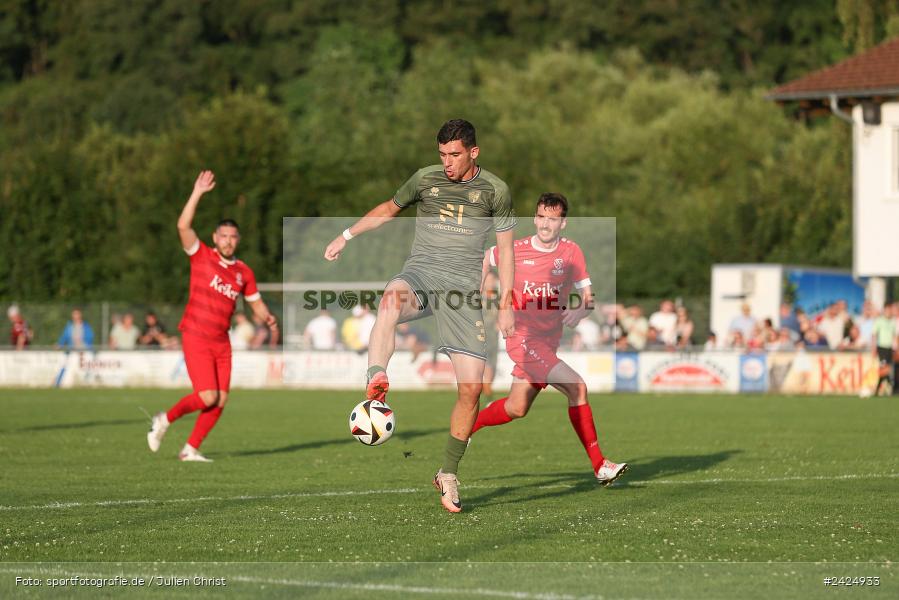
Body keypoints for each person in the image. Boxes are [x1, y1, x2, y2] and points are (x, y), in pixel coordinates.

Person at [324, 119, 516, 513]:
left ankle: (447, 472)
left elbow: (507, 251)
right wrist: (346, 235)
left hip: (463, 292)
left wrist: (508, 301)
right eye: (442, 154)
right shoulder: (424, 179)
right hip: (422, 275)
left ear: (473, 152)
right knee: (390, 301)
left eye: (455, 155)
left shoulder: (496, 191)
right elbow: (387, 210)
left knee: (472, 391)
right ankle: (375, 375)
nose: (447, 162)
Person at [471, 192, 628, 486]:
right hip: (522, 338)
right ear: (534, 218)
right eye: (541, 216)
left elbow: (589, 298)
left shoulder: (571, 253)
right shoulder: (515, 249)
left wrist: (580, 311)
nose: (545, 224)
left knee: (516, 407)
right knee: (577, 387)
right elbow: (485, 258)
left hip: (548, 342)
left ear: (563, 223)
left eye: (552, 219)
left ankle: (468, 426)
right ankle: (600, 466)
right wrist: (478, 297)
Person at [146, 170, 278, 462]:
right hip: (195, 334)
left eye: (233, 237)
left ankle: (190, 449)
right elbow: (183, 225)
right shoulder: (201, 255)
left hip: (221, 341)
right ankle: (164, 419)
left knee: (221, 399)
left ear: (238, 239)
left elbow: (255, 302)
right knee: (207, 396)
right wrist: (197, 192)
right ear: (215, 237)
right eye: (224, 236)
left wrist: (267, 317)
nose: (228, 241)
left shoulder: (244, 272)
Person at [871, 303, 896, 395]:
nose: (889, 312)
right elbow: (874, 335)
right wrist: (873, 348)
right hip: (881, 347)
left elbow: (894, 336)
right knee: (884, 368)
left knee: (886, 368)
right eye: (888, 310)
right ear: (884, 310)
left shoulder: (892, 322)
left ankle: (879, 388)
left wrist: (896, 348)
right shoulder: (879, 321)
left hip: (890, 348)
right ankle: (890, 385)